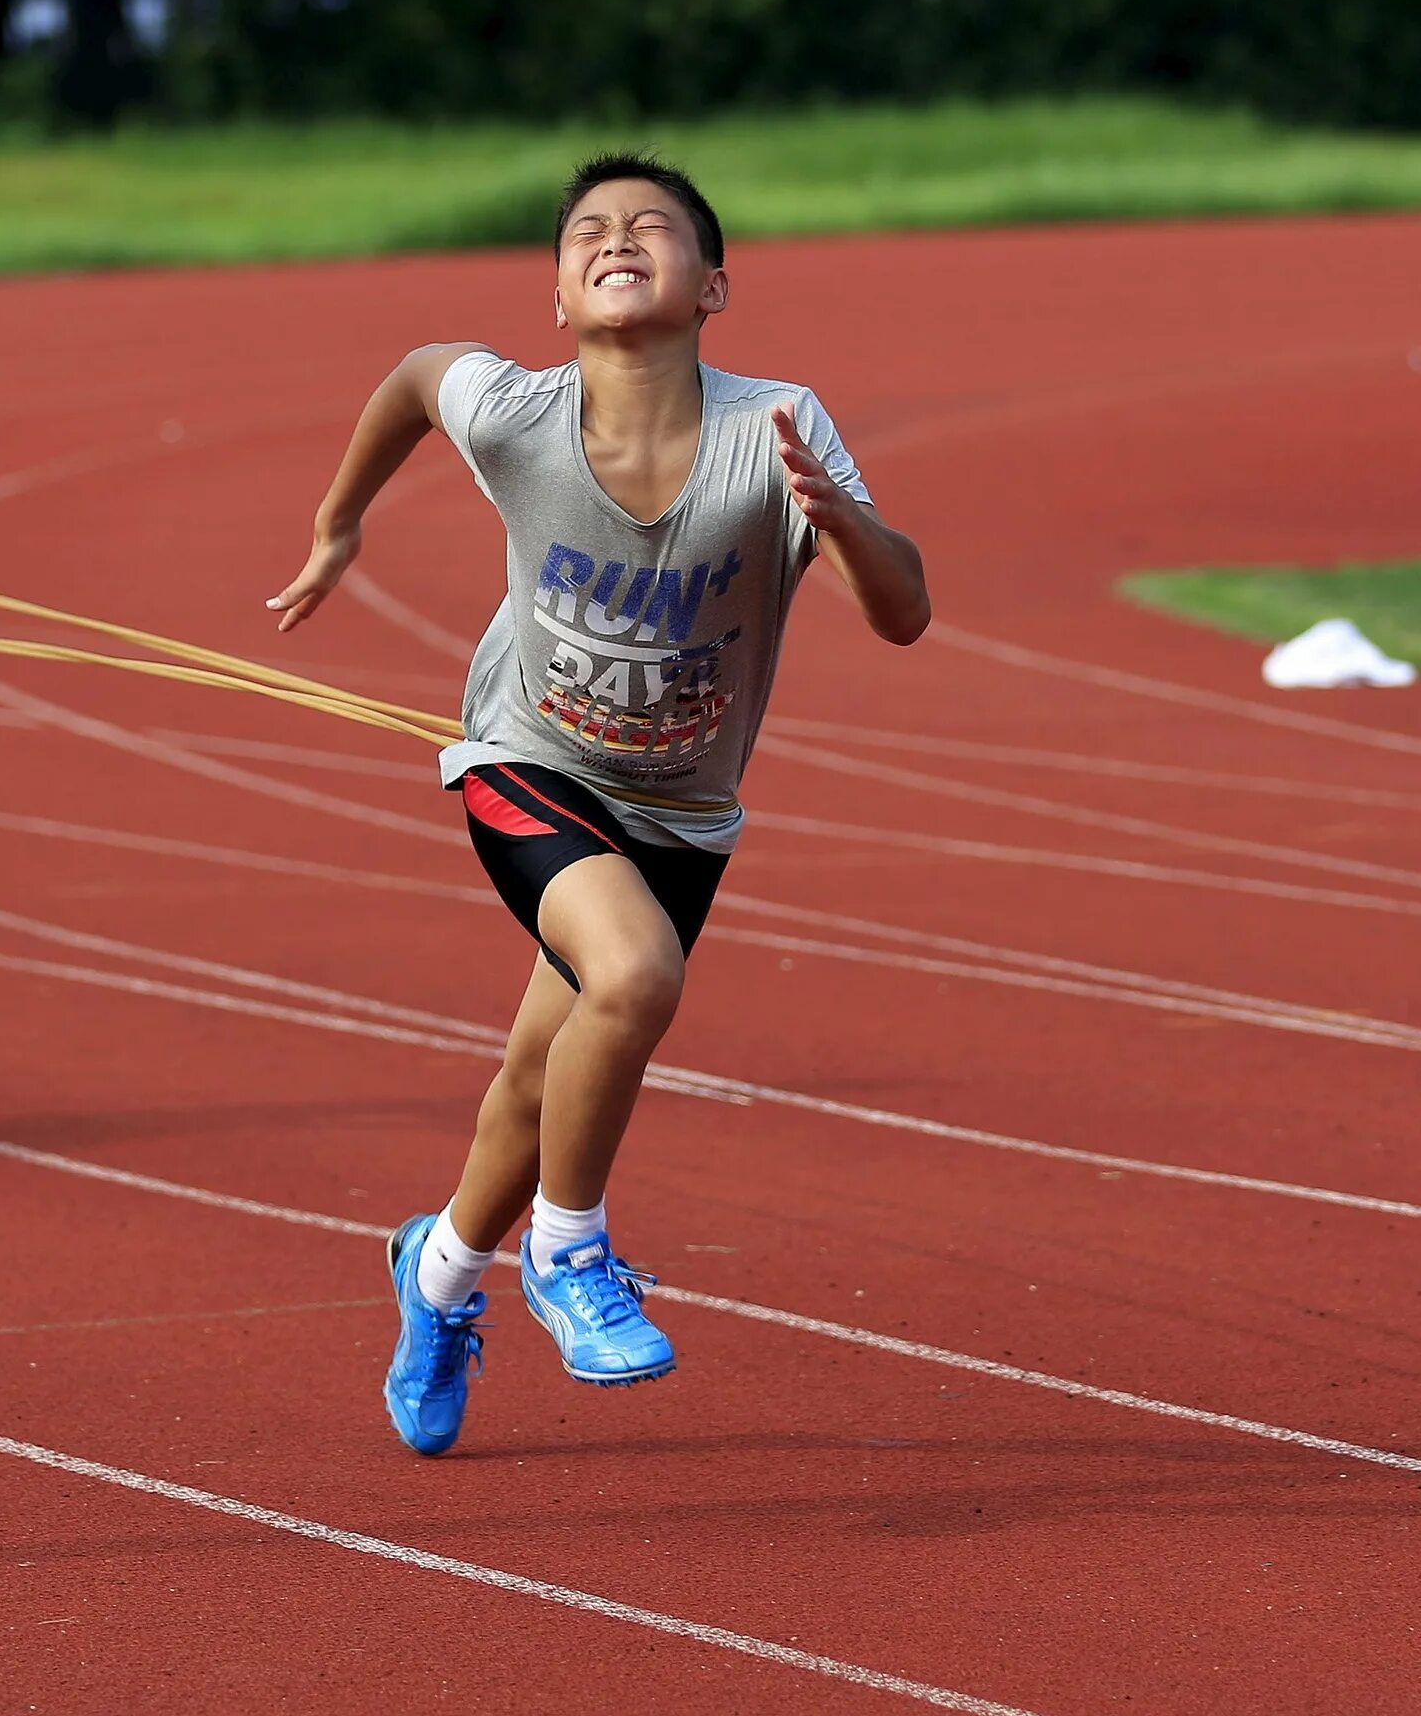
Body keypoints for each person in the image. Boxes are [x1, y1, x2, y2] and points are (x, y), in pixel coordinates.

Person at [266, 151, 931, 1454]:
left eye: (653, 228)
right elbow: (416, 374)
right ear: (559, 296)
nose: (617, 238)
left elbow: (905, 613)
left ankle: (438, 1276)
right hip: (527, 759)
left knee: (534, 1077)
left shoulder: (779, 429)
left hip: (680, 811)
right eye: (587, 232)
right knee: (631, 979)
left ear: (715, 283)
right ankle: (569, 1256)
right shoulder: (517, 415)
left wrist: (842, 524)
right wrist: (338, 521)